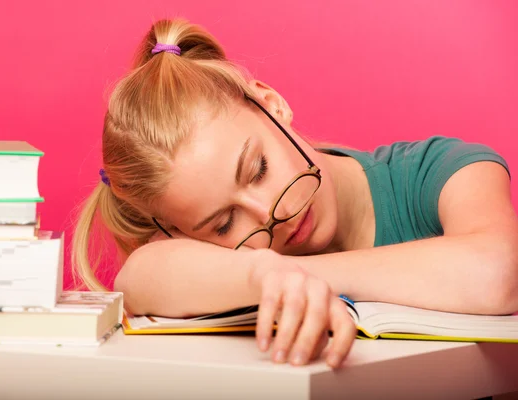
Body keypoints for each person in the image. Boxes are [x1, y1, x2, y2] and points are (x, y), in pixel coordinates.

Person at [72, 18, 518, 367]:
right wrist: (265, 274)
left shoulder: (438, 169)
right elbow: (139, 276)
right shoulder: (243, 258)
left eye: (259, 169)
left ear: (271, 103)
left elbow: (500, 273)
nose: (269, 214)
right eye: (225, 223)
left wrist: (311, 278)